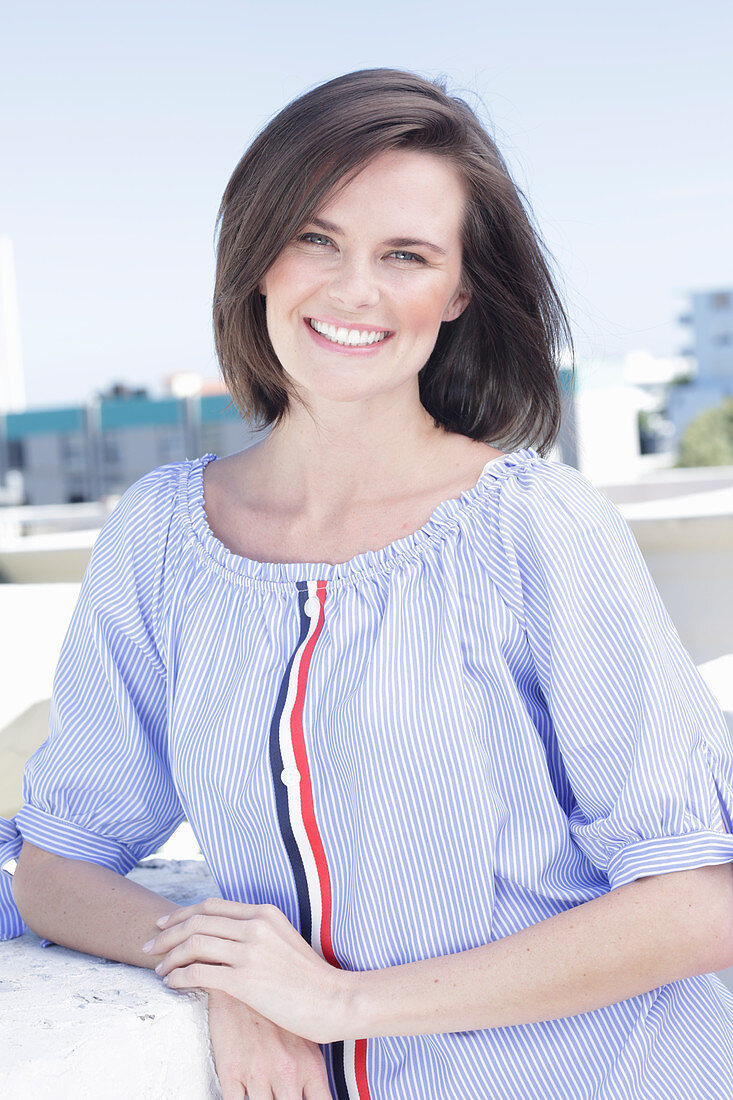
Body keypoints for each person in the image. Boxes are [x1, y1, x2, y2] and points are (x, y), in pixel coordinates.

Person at [2, 67, 733, 1100]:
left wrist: (340, 1002)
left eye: (406, 255)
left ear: (460, 289)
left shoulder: (539, 529)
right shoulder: (161, 538)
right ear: (256, 256)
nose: (353, 290)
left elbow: (699, 900)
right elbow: (58, 860)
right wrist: (221, 967)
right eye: (315, 237)